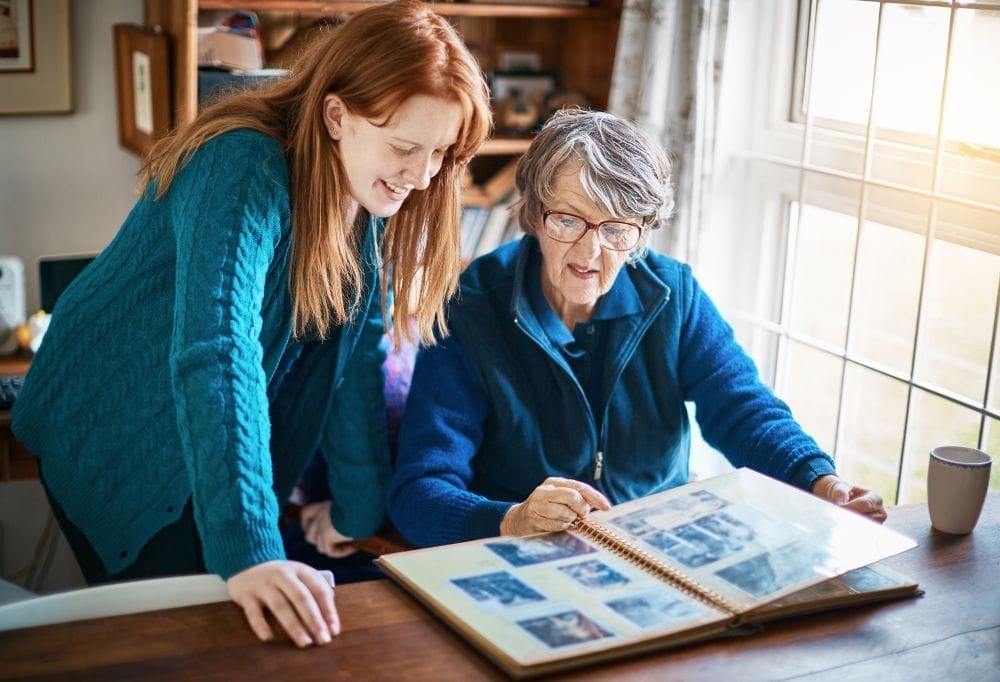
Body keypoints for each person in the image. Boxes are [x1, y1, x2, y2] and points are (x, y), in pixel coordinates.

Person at [12, 0, 490, 648]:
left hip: (198, 427)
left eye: (440, 153)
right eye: (405, 146)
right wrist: (251, 552)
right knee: (185, 645)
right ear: (335, 115)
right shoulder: (243, 164)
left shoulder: (364, 193)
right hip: (113, 427)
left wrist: (355, 511)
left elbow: (355, 359)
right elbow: (219, 348)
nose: (423, 175)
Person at [387, 109, 886, 549]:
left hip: (653, 542)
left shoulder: (672, 295)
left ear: (642, 232)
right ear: (535, 215)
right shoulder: (469, 307)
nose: (589, 253)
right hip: (526, 551)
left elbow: (742, 408)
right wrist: (512, 519)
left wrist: (819, 480)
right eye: (568, 221)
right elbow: (418, 493)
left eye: (616, 229)